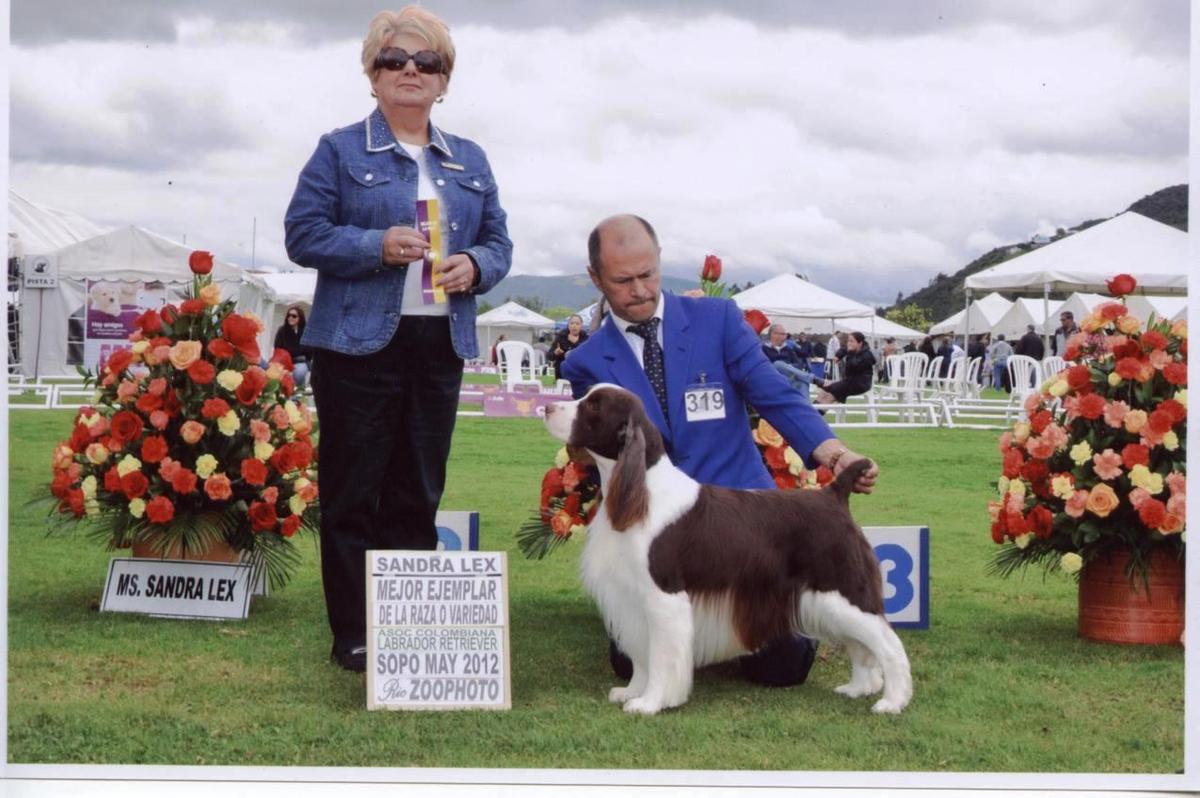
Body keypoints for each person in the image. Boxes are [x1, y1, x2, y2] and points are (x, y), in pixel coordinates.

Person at [283, 6, 513, 673]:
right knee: (355, 488)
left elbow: (498, 242)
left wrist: (476, 266)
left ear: (445, 81)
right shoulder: (338, 149)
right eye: (394, 60)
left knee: (418, 488)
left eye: (427, 62)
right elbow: (303, 234)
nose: (410, 70)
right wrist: (374, 244)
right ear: (372, 73)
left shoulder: (469, 158)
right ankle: (354, 634)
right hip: (356, 344)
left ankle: (406, 628)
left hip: (439, 341)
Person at [561, 214, 877, 689]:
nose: (640, 290)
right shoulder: (586, 361)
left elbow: (775, 394)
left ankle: (736, 632)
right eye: (623, 280)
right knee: (628, 666)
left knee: (782, 670)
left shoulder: (718, 320)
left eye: (648, 273)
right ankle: (689, 638)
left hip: (744, 530)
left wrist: (833, 454)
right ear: (595, 278)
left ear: (661, 260)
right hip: (660, 535)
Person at [816, 331, 876, 403]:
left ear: (860, 343)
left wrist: (850, 353)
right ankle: (812, 411)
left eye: (851, 341)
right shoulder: (854, 349)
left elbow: (853, 366)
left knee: (831, 392)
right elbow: (844, 349)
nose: (849, 343)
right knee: (825, 391)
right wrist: (838, 355)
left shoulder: (867, 355)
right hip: (849, 382)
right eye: (848, 341)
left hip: (860, 384)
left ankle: (814, 413)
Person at [762, 322, 813, 396]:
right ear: (773, 334)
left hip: (789, 379)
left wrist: (788, 367)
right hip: (772, 380)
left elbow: (798, 364)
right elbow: (763, 368)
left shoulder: (788, 349)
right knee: (778, 364)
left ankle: (805, 406)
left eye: (785, 334)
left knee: (803, 382)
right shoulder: (763, 349)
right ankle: (812, 378)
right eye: (783, 334)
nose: (785, 337)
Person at [272, 306, 314, 389]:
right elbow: (278, 348)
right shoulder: (282, 330)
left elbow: (310, 352)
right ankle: (295, 393)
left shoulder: (306, 332)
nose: (290, 318)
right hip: (284, 361)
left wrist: (293, 350)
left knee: (300, 372)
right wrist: (298, 351)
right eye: (289, 315)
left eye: (294, 316)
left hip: (301, 362)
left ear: (300, 318)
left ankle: (294, 393)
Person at [550, 314, 588, 379]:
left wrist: (576, 343)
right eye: (572, 323)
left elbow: (587, 356)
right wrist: (555, 353)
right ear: (568, 325)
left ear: (581, 326)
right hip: (561, 373)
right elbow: (549, 356)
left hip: (579, 374)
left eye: (577, 324)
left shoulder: (585, 337)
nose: (574, 326)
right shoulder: (561, 336)